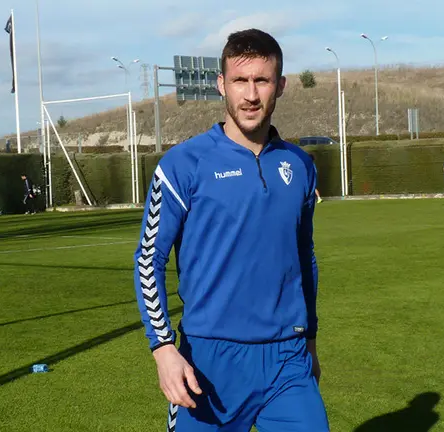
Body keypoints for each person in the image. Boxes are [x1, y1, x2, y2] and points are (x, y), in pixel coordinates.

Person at [133, 29, 328, 431]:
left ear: (280, 86)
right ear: (221, 84)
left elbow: (304, 257)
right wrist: (163, 348)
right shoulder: (183, 165)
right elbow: (148, 258)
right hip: (209, 363)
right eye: (240, 80)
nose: (251, 94)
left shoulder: (300, 165)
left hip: (288, 359)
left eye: (262, 80)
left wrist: (310, 338)